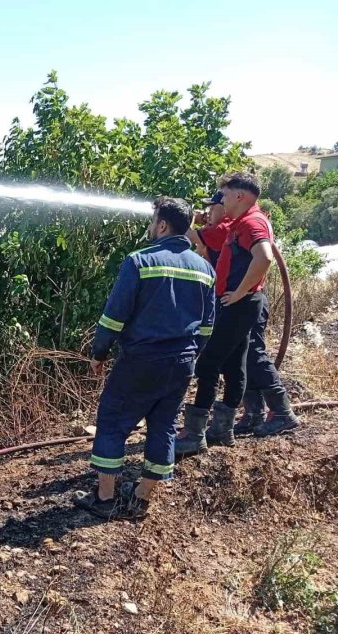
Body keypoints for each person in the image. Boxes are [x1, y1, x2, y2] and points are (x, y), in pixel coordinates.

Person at [73, 197, 215, 519]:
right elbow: (207, 326)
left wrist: (99, 353)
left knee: (112, 421)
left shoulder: (139, 261)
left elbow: (113, 317)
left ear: (162, 225)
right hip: (182, 363)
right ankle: (140, 499)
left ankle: (105, 499)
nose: (151, 226)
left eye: (153, 221)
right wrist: (189, 356)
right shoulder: (205, 269)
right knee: (164, 425)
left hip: (141, 360)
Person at [176, 173, 299, 457]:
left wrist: (242, 291)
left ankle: (195, 434)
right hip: (240, 303)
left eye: (226, 194)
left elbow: (265, 257)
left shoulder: (252, 222)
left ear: (239, 196)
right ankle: (225, 429)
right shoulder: (238, 224)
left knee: (208, 364)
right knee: (235, 364)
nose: (223, 200)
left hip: (240, 303)